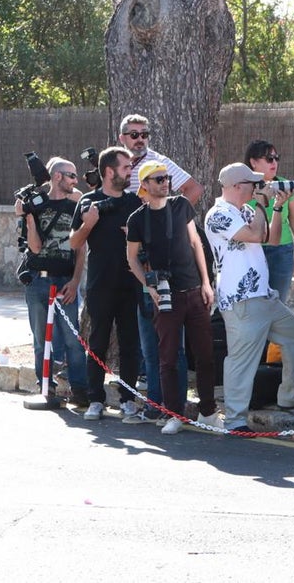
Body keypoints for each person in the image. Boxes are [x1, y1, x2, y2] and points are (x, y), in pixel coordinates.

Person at [204, 163, 294, 434]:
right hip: (241, 300)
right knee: (241, 361)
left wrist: (277, 207)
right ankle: (235, 420)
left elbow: (270, 239)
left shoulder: (246, 210)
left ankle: (290, 396)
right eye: (253, 183)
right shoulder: (218, 214)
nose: (258, 187)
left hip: (264, 295)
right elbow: (253, 234)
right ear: (236, 186)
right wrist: (263, 203)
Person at [125, 162, 220, 435]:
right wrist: (149, 287)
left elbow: (196, 243)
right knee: (167, 358)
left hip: (194, 290)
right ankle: (174, 414)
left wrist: (206, 282)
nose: (165, 182)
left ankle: (209, 412)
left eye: (166, 178)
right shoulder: (137, 219)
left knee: (205, 355)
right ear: (145, 185)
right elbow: (131, 258)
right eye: (158, 179)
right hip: (166, 296)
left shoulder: (181, 205)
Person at [118, 114, 192, 422]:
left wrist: (169, 228)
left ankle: (175, 409)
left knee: (173, 347)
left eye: (144, 133)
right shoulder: (120, 165)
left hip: (171, 278)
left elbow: (193, 189)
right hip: (140, 276)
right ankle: (155, 405)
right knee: (149, 345)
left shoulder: (160, 164)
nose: (140, 139)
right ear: (122, 137)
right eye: (134, 134)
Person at [70, 146, 143, 421]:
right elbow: (74, 243)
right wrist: (88, 224)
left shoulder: (134, 202)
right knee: (97, 342)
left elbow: (148, 242)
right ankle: (95, 400)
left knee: (130, 344)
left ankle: (128, 400)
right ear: (110, 171)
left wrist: (134, 235)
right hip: (101, 285)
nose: (130, 171)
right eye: (126, 167)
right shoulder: (88, 201)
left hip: (131, 285)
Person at [18, 157, 89, 408]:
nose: (76, 180)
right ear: (58, 176)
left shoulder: (76, 205)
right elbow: (35, 248)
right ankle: (46, 387)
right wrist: (29, 217)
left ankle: (80, 390)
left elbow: (81, 250)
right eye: (71, 175)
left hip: (65, 281)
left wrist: (76, 281)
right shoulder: (36, 205)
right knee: (41, 339)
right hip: (38, 281)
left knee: (72, 338)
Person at [245, 139, 294, 303]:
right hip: (251, 250)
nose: (274, 162)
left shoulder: (285, 186)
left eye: (276, 158)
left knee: (278, 303)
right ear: (253, 162)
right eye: (269, 158)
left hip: (281, 251)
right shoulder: (243, 187)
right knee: (254, 304)